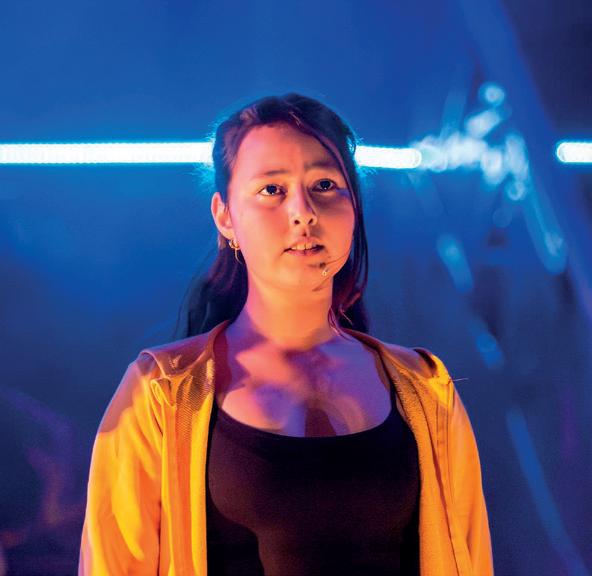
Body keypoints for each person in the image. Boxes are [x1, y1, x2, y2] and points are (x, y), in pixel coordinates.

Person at [79, 93, 494, 575]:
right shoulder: (161, 395)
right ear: (225, 217)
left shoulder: (425, 389)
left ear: (354, 206)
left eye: (324, 185)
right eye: (272, 190)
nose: (303, 212)